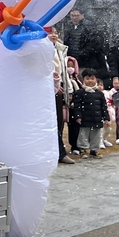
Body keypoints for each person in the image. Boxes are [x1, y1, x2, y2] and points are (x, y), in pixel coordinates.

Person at [49, 29, 75, 165]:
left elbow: (63, 71)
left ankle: (59, 152)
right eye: (50, 32)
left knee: (59, 122)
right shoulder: (39, 47)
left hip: (59, 89)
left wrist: (68, 89)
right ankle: (56, 152)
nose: (53, 35)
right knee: (50, 123)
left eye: (55, 32)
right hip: (46, 89)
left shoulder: (60, 48)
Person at [70, 70, 108, 157]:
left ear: (96, 80)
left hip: (97, 118)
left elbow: (104, 106)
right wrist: (78, 116)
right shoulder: (79, 93)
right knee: (83, 134)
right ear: (83, 80)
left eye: (92, 78)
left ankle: (94, 150)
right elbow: (77, 106)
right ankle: (83, 149)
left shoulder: (100, 94)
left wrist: (106, 117)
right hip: (84, 118)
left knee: (96, 135)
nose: (90, 81)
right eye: (87, 78)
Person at [63, 8, 108, 77]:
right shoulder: (69, 26)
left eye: (77, 15)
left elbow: (94, 44)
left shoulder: (90, 26)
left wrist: (80, 55)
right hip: (73, 61)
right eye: (72, 15)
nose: (74, 18)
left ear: (82, 15)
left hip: (87, 63)